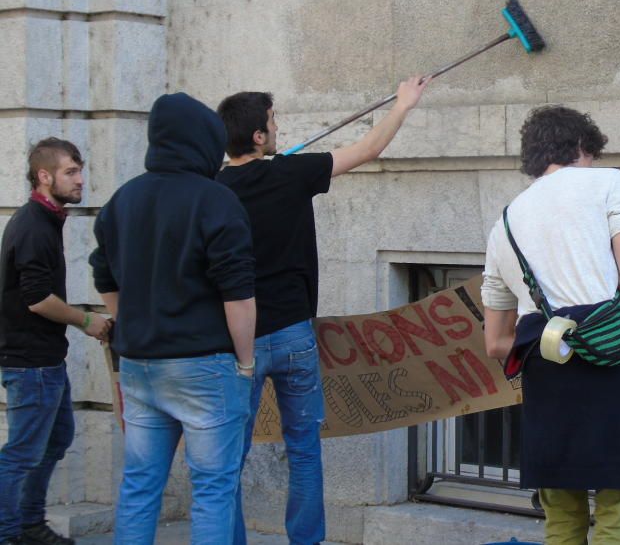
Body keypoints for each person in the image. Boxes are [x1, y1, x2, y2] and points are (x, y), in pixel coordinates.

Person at [215, 75, 430, 544]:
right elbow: (368, 148)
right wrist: (402, 104)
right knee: (304, 451)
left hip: (239, 339)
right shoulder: (290, 172)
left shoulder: (214, 190)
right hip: (292, 333)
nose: (277, 129)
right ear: (257, 136)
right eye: (272, 122)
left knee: (227, 457)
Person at [89, 93, 257, 545]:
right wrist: (245, 363)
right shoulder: (216, 200)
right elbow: (238, 295)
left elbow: (102, 275)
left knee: (140, 487)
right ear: (203, 143)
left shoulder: (122, 200)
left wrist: (136, 322)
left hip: (141, 364)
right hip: (205, 366)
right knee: (213, 490)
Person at [481, 105, 620, 544]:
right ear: (580, 146)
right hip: (609, 366)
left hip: (547, 372)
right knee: (619, 507)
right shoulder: (608, 182)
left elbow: (496, 343)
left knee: (562, 518)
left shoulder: (503, 224)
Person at [0, 138, 110, 545]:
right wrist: (87, 320)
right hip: (30, 362)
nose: (81, 180)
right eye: (70, 172)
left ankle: (28, 524)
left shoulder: (46, 220)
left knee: (56, 439)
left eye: (80, 170)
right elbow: (37, 299)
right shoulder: (32, 226)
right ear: (45, 177)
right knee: (22, 453)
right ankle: (9, 532)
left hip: (44, 360)